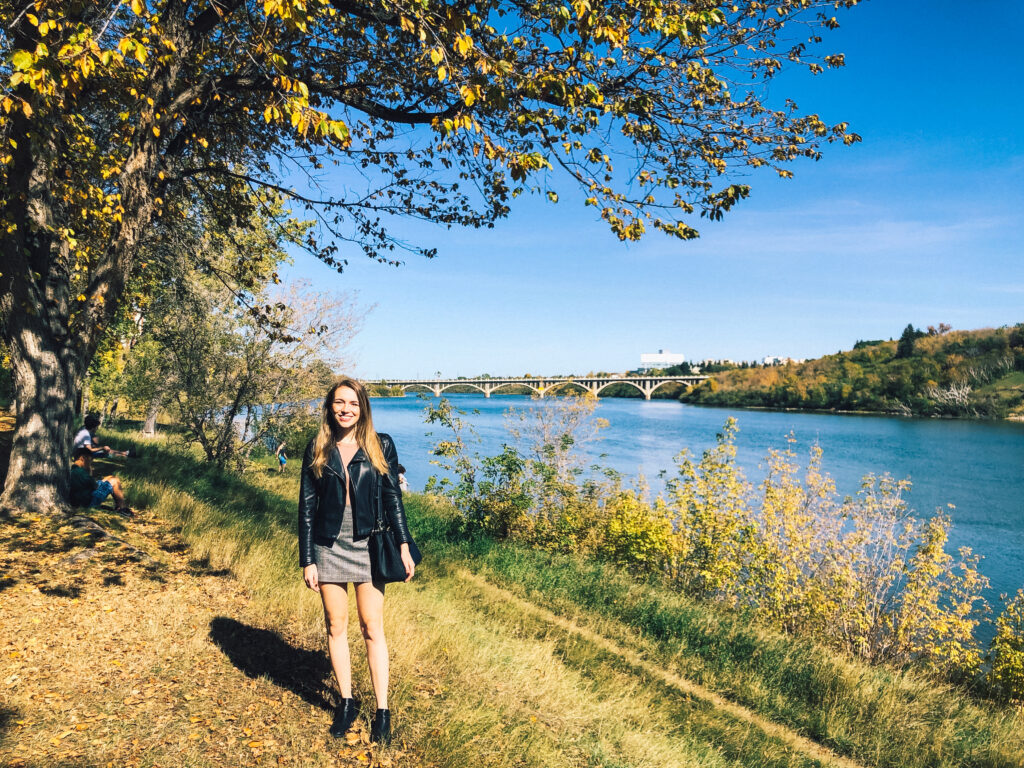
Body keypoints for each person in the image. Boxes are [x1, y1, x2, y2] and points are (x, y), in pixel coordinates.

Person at [298, 378, 415, 745]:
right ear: (329, 407)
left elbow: (393, 498)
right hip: (328, 544)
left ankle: (382, 710)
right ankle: (346, 702)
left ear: (363, 406)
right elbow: (306, 506)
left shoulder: (381, 445)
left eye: (352, 402)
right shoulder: (318, 446)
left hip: (370, 543)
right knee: (336, 625)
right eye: (338, 403)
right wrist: (308, 558)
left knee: (371, 626)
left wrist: (404, 544)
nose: (345, 409)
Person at [69, 447, 132, 516]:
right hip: (89, 502)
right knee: (115, 480)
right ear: (83, 458)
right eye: (90, 459)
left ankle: (119, 506)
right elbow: (95, 486)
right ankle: (123, 508)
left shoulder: (74, 469)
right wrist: (90, 471)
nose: (91, 462)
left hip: (83, 497)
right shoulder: (81, 472)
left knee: (110, 477)